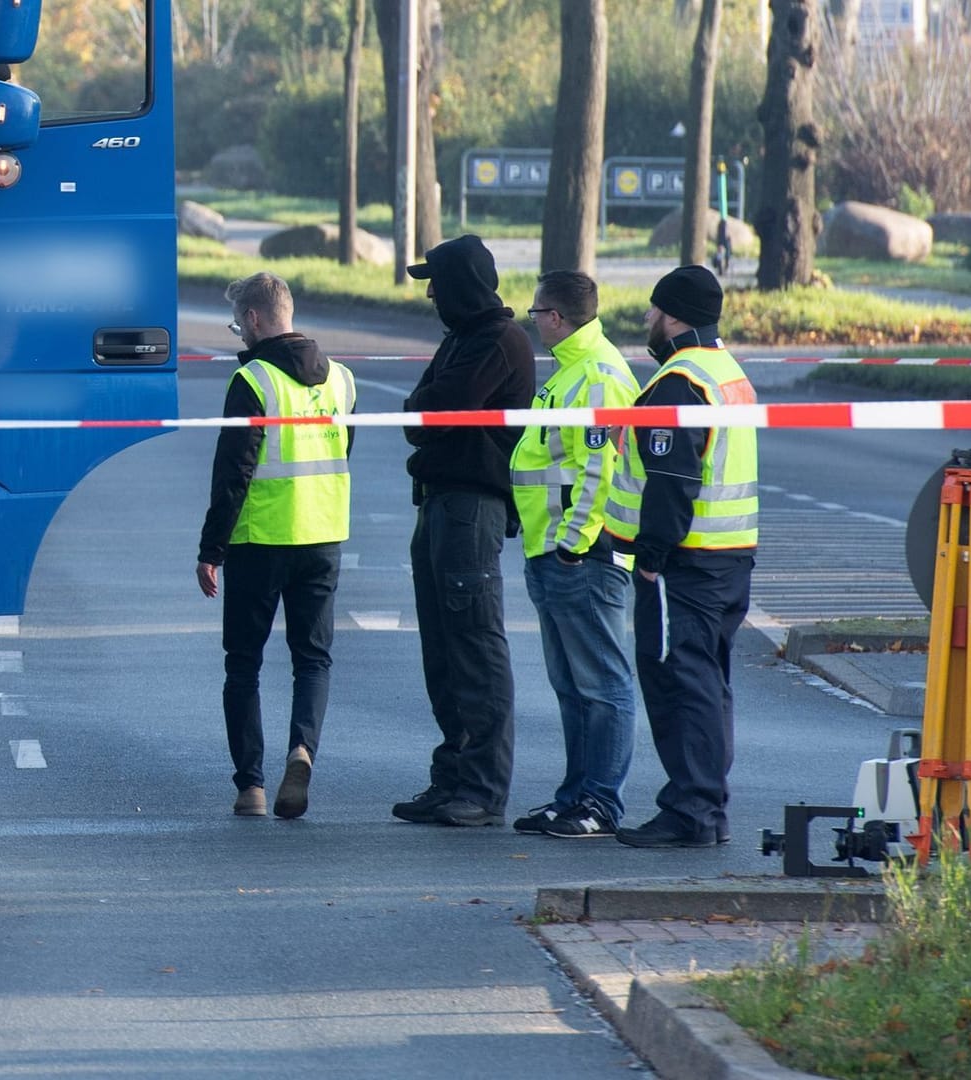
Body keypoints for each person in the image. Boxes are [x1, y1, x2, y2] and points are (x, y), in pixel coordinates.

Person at [603, 265, 758, 849]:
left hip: (684, 563)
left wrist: (650, 556)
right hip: (729, 557)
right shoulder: (727, 371)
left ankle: (691, 811)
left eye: (652, 311)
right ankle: (706, 807)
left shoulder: (679, 380)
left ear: (672, 316)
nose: (647, 321)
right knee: (707, 682)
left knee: (680, 681)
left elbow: (671, 479)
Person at [389, 235, 536, 828]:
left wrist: (426, 412)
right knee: (443, 654)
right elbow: (416, 413)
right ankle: (451, 775)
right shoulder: (462, 339)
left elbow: (438, 407)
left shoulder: (500, 341)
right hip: (441, 502)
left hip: (472, 507)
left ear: (463, 284)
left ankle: (482, 787)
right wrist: (425, 412)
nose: (429, 293)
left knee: (475, 646)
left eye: (436, 281)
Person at [198, 272, 356, 820]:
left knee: (243, 665)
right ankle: (303, 749)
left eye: (239, 322)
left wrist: (211, 548)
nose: (238, 332)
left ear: (256, 320)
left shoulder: (255, 381)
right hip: (324, 535)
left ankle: (252, 787)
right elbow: (343, 449)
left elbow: (234, 471)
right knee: (312, 660)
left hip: (260, 538)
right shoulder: (340, 379)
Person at [508, 270, 643, 839]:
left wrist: (573, 543)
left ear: (557, 317)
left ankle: (601, 803)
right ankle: (574, 797)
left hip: (581, 556)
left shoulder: (596, 376)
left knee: (603, 685)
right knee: (572, 687)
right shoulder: (571, 371)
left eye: (537, 312)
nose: (533, 321)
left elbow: (598, 471)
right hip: (555, 551)